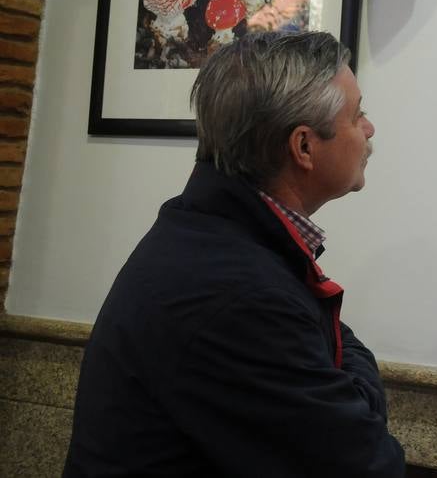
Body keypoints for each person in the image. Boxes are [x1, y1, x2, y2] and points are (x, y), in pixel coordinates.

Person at [64, 31, 405, 477]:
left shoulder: (207, 233)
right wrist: (359, 389)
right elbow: (368, 464)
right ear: (304, 147)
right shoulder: (239, 294)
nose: (369, 127)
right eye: (356, 114)